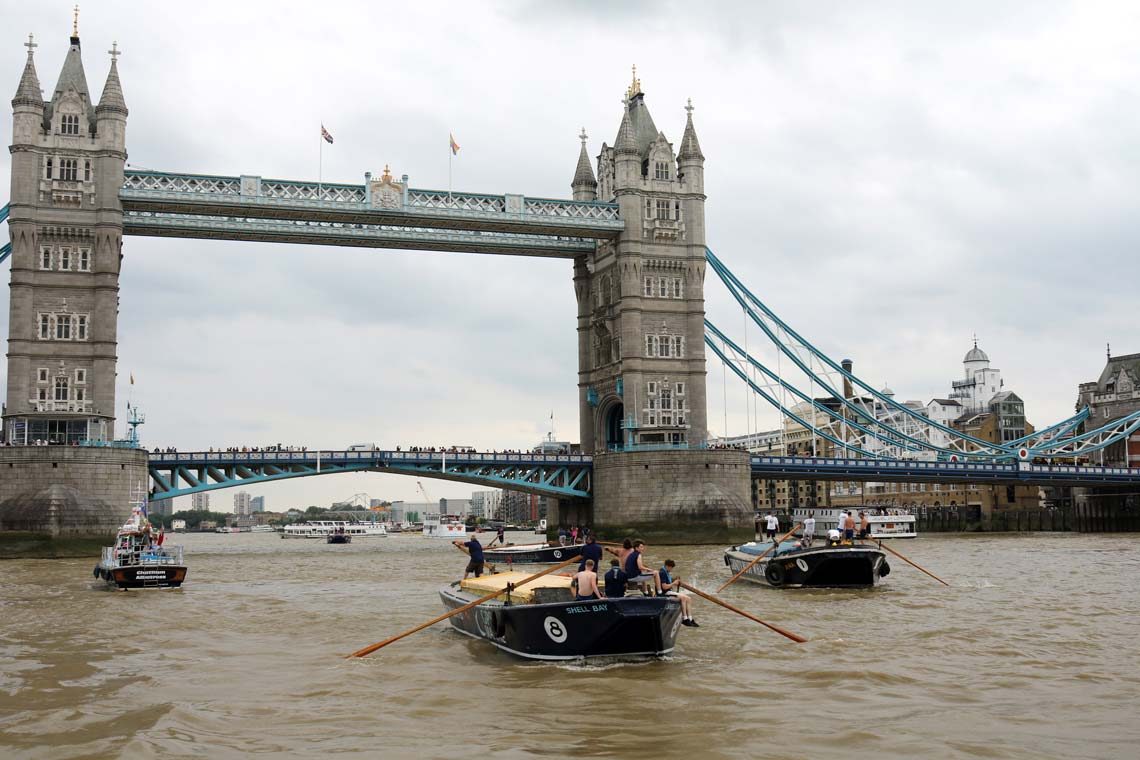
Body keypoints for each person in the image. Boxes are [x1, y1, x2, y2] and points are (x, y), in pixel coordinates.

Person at [658, 559, 699, 627]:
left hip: (669, 591)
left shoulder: (666, 572)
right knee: (683, 598)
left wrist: (676, 580)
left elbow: (669, 581)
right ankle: (684, 618)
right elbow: (664, 587)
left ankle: (690, 619)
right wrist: (674, 583)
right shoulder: (662, 573)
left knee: (688, 598)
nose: (671, 569)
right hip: (665, 593)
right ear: (667, 566)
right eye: (671, 568)